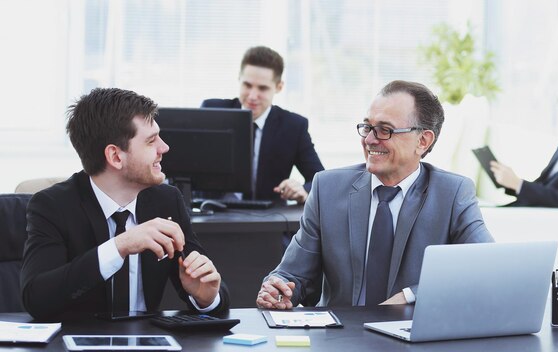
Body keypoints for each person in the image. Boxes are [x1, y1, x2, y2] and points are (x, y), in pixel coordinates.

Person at [256, 80, 493, 309]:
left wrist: (411, 296)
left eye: (384, 130)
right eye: (367, 127)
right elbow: (294, 273)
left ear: (423, 140)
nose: (369, 139)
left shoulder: (452, 194)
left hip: (413, 335)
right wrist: (278, 288)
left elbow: (488, 268)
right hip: (342, 338)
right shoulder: (327, 188)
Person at [21, 88, 230, 320]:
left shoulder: (167, 200)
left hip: (147, 341)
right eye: (151, 141)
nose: (164, 148)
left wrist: (206, 298)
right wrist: (119, 246)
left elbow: (207, 287)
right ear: (115, 157)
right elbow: (36, 298)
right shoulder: (52, 206)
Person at [201, 46, 324, 203]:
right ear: (239, 79)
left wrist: (303, 191)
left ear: (279, 87)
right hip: (212, 215)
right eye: (247, 85)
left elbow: (319, 180)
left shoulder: (293, 126)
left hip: (266, 221)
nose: (252, 96)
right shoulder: (212, 112)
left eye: (262, 88)